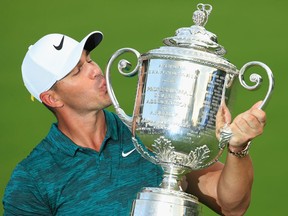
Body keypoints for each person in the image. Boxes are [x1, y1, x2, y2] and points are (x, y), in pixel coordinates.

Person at [3, 31, 266, 215]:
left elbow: (231, 205)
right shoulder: (32, 179)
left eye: (90, 60)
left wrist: (237, 148)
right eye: (77, 71)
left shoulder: (148, 132)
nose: (95, 71)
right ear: (52, 98)